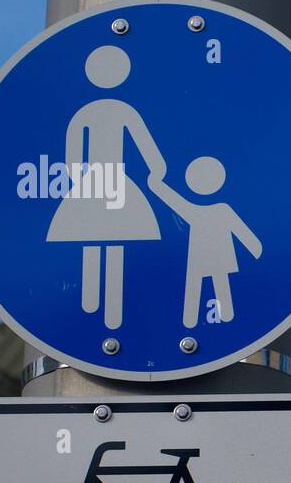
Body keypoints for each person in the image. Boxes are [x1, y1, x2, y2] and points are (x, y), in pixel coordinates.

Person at [47, 44, 164, 330]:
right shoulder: (119, 111)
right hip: (114, 184)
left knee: (99, 238)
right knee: (111, 239)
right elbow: (147, 148)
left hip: (96, 183)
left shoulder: (87, 114)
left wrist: (81, 182)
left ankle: (96, 306)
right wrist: (156, 170)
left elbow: (72, 156)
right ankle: (101, 309)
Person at [148, 156, 263, 329]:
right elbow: (175, 202)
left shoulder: (208, 211)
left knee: (206, 285)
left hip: (207, 256)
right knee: (203, 284)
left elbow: (240, 229)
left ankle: (206, 320)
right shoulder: (213, 210)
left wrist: (255, 248)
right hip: (205, 256)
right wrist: (256, 248)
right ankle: (199, 321)